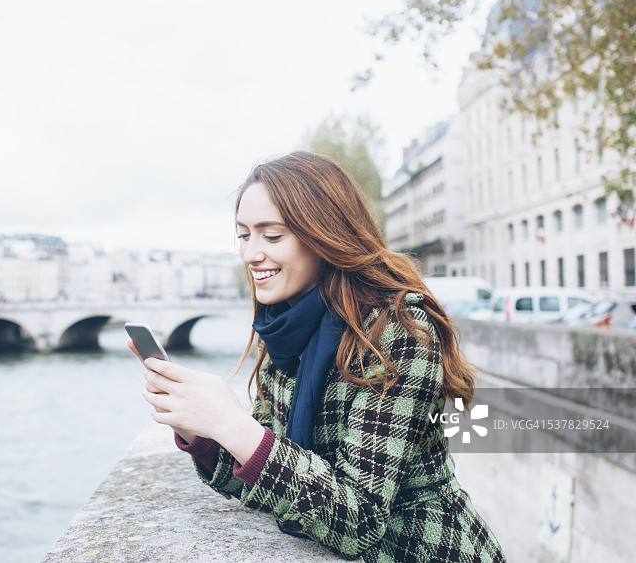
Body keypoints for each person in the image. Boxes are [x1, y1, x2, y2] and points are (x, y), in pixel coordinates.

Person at [128, 152, 506, 562]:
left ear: (324, 235)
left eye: (271, 236)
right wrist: (199, 430)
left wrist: (230, 422)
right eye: (243, 235)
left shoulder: (399, 328)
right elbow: (270, 482)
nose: (251, 254)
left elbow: (360, 520)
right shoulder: (285, 325)